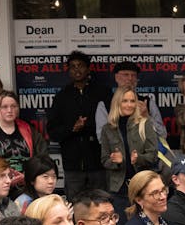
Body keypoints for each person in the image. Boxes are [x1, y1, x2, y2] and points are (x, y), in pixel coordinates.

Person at [48, 50, 111, 198]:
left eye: (81, 65)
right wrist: (72, 128)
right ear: (68, 71)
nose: (77, 69)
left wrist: (87, 127)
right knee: (75, 207)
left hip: (98, 162)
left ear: (88, 69)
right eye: (73, 66)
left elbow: (112, 125)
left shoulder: (103, 93)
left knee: (101, 203)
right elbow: (53, 131)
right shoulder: (62, 96)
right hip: (73, 165)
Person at [101, 88, 162, 198]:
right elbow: (104, 160)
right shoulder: (107, 129)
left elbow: (153, 155)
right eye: (125, 101)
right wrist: (116, 161)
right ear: (117, 103)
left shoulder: (145, 124)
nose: (129, 105)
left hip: (143, 186)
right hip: (119, 188)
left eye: (132, 101)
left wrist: (139, 158)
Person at [95, 60, 162, 138]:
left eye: (133, 75)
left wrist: (147, 116)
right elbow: (101, 137)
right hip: (116, 149)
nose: (130, 78)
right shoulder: (105, 104)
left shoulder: (147, 103)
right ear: (117, 77)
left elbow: (162, 134)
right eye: (126, 75)